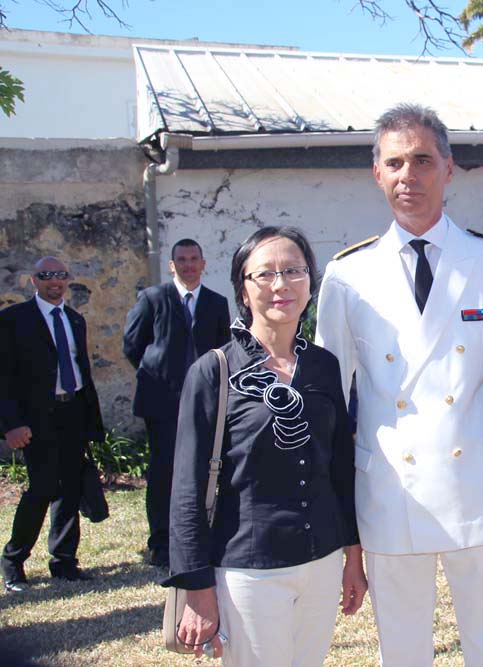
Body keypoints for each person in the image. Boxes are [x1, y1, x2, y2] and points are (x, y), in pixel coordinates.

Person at [315, 103, 483, 667]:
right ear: (377, 173)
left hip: (476, 481)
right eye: (396, 162)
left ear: (449, 169)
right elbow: (330, 398)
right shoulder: (347, 274)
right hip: (389, 487)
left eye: (423, 160)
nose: (410, 175)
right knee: (403, 650)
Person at [165, 227, 365, 665]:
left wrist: (353, 556)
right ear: (242, 286)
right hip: (248, 569)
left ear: (310, 282)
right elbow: (186, 490)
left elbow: (340, 470)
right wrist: (196, 587)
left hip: (322, 561)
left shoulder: (323, 366)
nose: (281, 285)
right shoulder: (212, 372)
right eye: (265, 274)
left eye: (293, 271)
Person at [123, 238, 231, 567]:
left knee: (204, 470)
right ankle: (161, 542)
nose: (188, 264)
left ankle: (200, 535)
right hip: (162, 404)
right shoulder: (153, 299)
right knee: (164, 472)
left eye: (193, 259)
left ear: (203, 263)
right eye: (181, 259)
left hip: (204, 404)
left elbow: (223, 350)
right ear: (172, 265)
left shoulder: (216, 302)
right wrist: (159, 374)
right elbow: (133, 345)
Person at [1, 257, 105, 591]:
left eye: (60, 275)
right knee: (43, 487)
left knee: (70, 489)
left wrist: (91, 423)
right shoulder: (14, 320)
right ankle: (13, 561)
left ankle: (64, 561)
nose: (54, 282)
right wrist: (11, 424)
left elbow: (82, 372)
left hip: (72, 413)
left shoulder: (75, 320)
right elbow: (3, 378)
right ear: (34, 280)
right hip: (36, 420)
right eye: (46, 276)